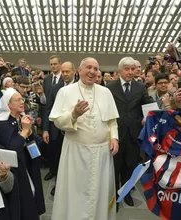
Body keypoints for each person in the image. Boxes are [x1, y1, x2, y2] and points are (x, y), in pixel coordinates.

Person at [49, 57, 119, 220]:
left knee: (99, 191)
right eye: (88, 67)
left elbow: (112, 121)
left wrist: (114, 138)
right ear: (79, 70)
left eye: (96, 69)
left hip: (102, 153)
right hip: (76, 152)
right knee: (76, 192)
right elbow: (58, 122)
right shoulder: (65, 92)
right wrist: (73, 115)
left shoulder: (105, 92)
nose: (92, 71)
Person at [107, 57, 154, 208]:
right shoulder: (110, 87)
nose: (130, 72)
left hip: (134, 133)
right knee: (114, 167)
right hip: (115, 134)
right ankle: (113, 196)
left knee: (130, 166)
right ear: (120, 70)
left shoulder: (140, 87)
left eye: (132, 69)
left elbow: (147, 106)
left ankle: (125, 194)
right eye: (126, 69)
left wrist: (147, 118)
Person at [0, 88, 45, 220]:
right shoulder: (1, 122)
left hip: (28, 163)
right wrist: (25, 130)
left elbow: (31, 141)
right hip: (14, 169)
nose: (22, 102)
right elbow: (11, 149)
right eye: (17, 100)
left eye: (22, 99)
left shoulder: (21, 117)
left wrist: (30, 132)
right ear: (8, 104)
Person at [42, 61, 76, 196]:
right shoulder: (56, 88)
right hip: (56, 130)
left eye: (68, 71)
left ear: (74, 71)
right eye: (64, 72)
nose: (65, 74)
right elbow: (48, 108)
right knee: (57, 157)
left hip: (74, 130)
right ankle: (58, 184)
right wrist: (45, 129)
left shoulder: (80, 87)